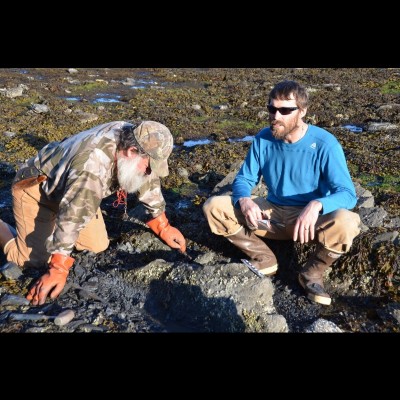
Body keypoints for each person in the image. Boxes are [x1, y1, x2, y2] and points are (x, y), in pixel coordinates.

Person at [203, 80, 360, 306]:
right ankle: (264, 258)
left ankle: (312, 274)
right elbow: (245, 179)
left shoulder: (325, 144)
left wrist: (316, 205)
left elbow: (348, 194)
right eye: (272, 109)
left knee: (347, 222)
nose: (276, 116)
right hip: (271, 216)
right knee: (214, 207)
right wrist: (245, 200)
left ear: (302, 111)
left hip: (307, 224)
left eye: (285, 110)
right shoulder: (263, 139)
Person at [0, 120, 186, 305]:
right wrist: (58, 268)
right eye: (148, 165)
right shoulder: (91, 169)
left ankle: (51, 225)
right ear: (131, 152)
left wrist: (162, 224)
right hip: (38, 189)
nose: (148, 171)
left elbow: (148, 177)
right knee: (31, 260)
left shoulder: (138, 135)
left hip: (75, 188)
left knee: (96, 245)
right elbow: (72, 217)